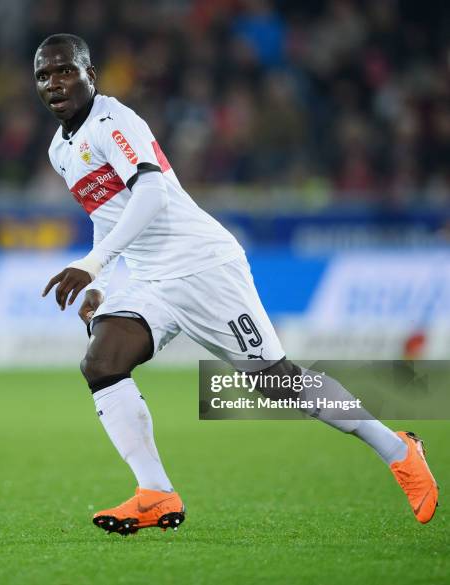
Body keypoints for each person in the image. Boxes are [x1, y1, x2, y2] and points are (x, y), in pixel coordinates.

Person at [35, 34, 438, 535]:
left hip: (204, 267)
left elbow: (153, 192)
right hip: (150, 280)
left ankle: (398, 449)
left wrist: (94, 264)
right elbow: (106, 212)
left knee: (278, 381)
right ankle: (155, 492)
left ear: (91, 75)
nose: (54, 83)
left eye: (65, 71)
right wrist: (102, 281)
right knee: (102, 361)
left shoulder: (113, 121)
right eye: (44, 76)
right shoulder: (60, 149)